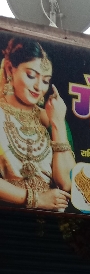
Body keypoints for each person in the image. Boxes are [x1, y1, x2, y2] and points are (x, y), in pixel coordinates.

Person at [0, 36, 74, 212]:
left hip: (50, 222)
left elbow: (67, 183)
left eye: (46, 81)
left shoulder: (52, 118)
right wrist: (36, 199)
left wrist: (57, 124)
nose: (38, 87)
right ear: (10, 69)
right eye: (31, 76)